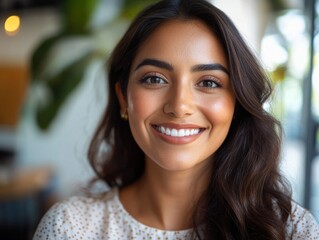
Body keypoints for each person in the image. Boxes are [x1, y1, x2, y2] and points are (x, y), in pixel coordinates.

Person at [33, 0, 319, 239]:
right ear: (123, 98)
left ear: (237, 102)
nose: (179, 106)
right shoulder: (68, 228)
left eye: (208, 82)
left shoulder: (290, 230)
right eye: (155, 79)